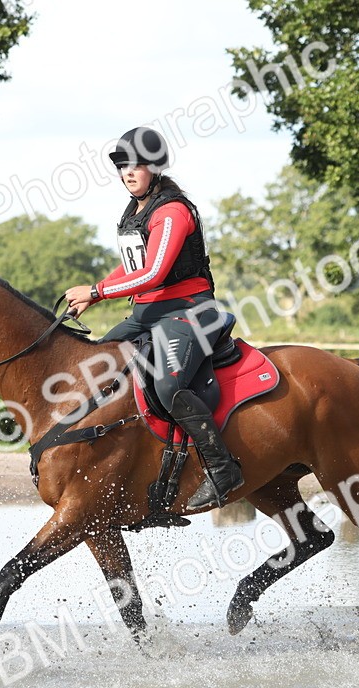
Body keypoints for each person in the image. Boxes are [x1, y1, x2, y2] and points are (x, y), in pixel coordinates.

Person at [64, 127, 243, 510]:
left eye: (137, 165)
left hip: (190, 312)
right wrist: (94, 296)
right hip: (146, 315)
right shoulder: (136, 210)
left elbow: (154, 274)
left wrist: (95, 292)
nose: (128, 172)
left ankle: (222, 468)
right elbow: (132, 265)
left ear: (155, 168)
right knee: (97, 366)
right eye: (122, 166)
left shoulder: (173, 211)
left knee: (167, 386)